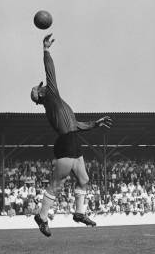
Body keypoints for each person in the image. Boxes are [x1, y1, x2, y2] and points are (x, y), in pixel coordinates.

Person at [30, 34, 112, 237]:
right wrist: (46, 50)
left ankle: (79, 213)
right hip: (66, 142)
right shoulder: (51, 97)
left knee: (84, 179)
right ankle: (41, 216)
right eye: (41, 87)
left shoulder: (56, 105)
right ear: (40, 94)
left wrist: (95, 123)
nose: (44, 85)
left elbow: (75, 124)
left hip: (73, 139)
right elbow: (50, 72)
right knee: (57, 184)